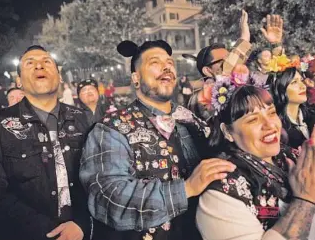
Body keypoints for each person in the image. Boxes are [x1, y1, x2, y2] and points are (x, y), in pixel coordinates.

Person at [79, 39, 235, 240]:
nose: (166, 67)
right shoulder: (111, 128)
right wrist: (186, 188)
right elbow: (109, 197)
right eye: (154, 62)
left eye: (170, 63)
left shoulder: (189, 118)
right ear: (135, 78)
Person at [196, 84, 315, 240]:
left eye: (271, 113)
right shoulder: (221, 192)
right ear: (228, 132)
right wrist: (305, 200)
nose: (270, 125)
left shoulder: (290, 155)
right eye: (253, 120)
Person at [0, 45, 91, 240]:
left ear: (59, 76)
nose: (39, 66)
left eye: (47, 61)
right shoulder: (2, 125)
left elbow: (100, 177)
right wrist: (49, 232)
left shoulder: (84, 119)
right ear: (19, 82)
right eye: (30, 63)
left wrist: (82, 224)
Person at [187, 10, 252, 121]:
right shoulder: (198, 99)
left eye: (230, 58)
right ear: (208, 70)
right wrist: (244, 40)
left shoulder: (241, 86)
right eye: (224, 61)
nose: (231, 63)